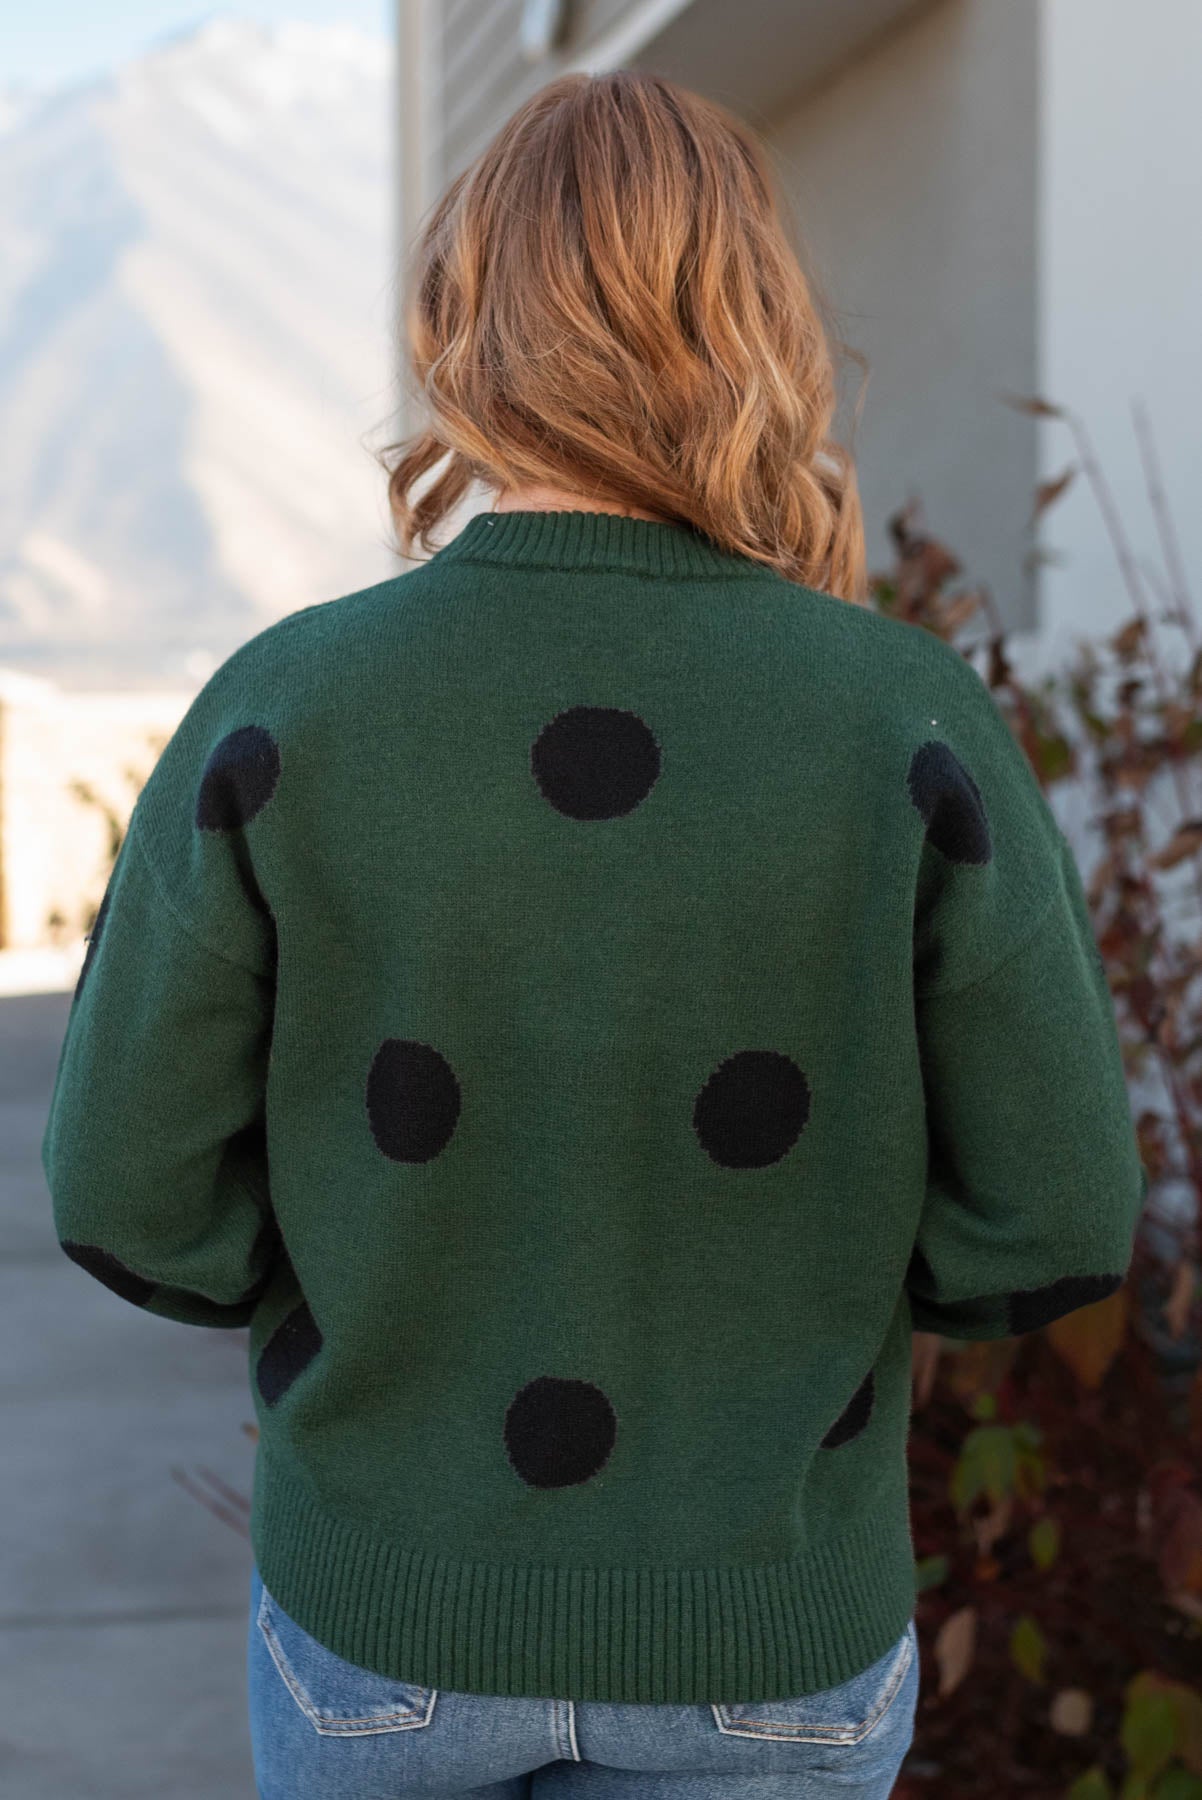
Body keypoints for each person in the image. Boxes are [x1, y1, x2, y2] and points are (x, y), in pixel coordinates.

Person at [41, 67, 1146, 1800]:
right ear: (754, 324)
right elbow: (1060, 1215)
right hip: (764, 1630)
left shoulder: (288, 709)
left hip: (385, 1624)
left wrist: (386, 1286)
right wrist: (798, 1295)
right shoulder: (903, 724)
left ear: (463, 322)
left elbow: (126, 1196)